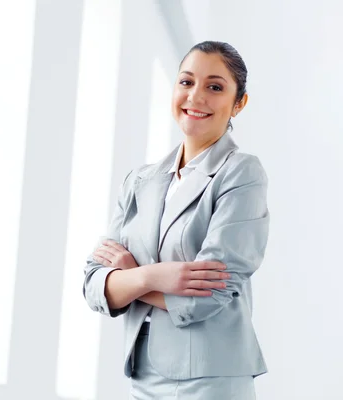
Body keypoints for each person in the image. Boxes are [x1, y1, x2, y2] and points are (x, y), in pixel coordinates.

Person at [83, 41, 270, 399]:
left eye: (215, 87)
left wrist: (130, 277)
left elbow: (209, 293)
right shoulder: (140, 179)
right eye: (186, 82)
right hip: (143, 376)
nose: (196, 96)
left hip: (210, 377)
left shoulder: (242, 173)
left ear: (239, 103)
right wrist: (154, 275)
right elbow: (95, 285)